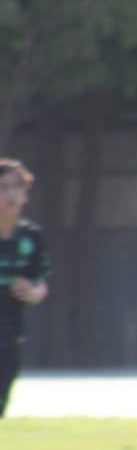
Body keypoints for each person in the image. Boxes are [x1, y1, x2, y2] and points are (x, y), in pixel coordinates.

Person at [0, 159, 51, 419]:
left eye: (16, 187)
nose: (10, 194)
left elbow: (41, 284)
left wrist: (33, 292)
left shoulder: (31, 237)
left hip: (9, 332)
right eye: (3, 187)